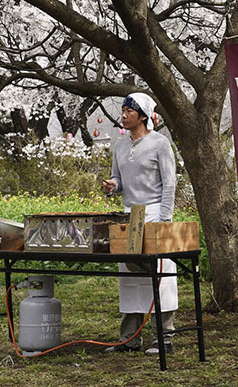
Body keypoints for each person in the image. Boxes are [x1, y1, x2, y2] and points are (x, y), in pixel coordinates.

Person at [102, 92, 177, 355]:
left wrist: (165, 220)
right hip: (128, 216)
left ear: (142, 116)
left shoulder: (159, 143)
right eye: (122, 111)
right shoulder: (120, 145)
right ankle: (129, 338)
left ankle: (164, 338)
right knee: (129, 277)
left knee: (161, 278)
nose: (122, 115)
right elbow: (118, 178)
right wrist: (113, 186)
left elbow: (169, 182)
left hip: (155, 213)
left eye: (128, 111)